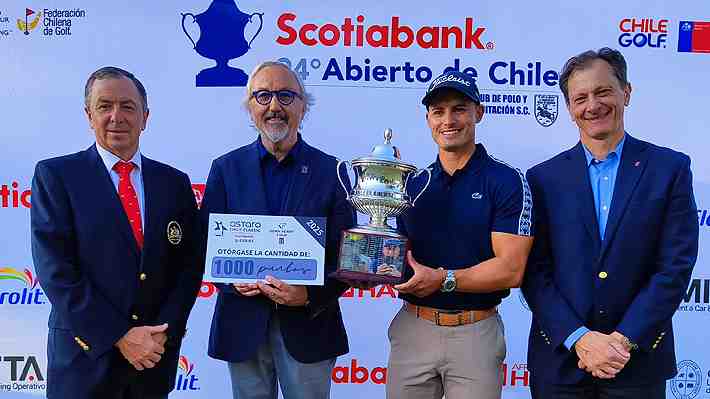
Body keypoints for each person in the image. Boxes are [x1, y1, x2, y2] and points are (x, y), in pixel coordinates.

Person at [522, 47, 699, 398]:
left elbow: (674, 266)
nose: (593, 106)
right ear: (570, 109)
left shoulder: (670, 169)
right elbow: (533, 271)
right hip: (560, 363)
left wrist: (621, 342)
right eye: (580, 98)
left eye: (603, 92)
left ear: (626, 93)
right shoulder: (542, 178)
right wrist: (581, 339)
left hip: (637, 365)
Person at [30, 66, 203, 399]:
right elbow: (57, 272)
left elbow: (188, 268)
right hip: (84, 361)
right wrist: (120, 336)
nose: (116, 116)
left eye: (127, 106)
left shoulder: (174, 183)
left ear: (145, 117)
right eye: (104, 106)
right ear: (88, 115)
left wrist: (158, 336)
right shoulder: (57, 176)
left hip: (151, 362)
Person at [201, 60, 356, 399]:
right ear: (250, 107)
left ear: (303, 106)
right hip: (242, 326)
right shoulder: (225, 170)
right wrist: (229, 278)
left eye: (286, 96)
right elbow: (204, 245)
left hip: (309, 325)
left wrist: (310, 295)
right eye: (263, 96)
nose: (274, 106)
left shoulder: (333, 172)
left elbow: (350, 259)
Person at [387, 70, 534, 399]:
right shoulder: (410, 184)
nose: (448, 120)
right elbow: (395, 259)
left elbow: (511, 269)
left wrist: (443, 279)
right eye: (438, 112)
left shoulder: (505, 180)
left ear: (478, 113)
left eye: (459, 109)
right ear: (428, 119)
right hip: (413, 329)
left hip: (474, 333)